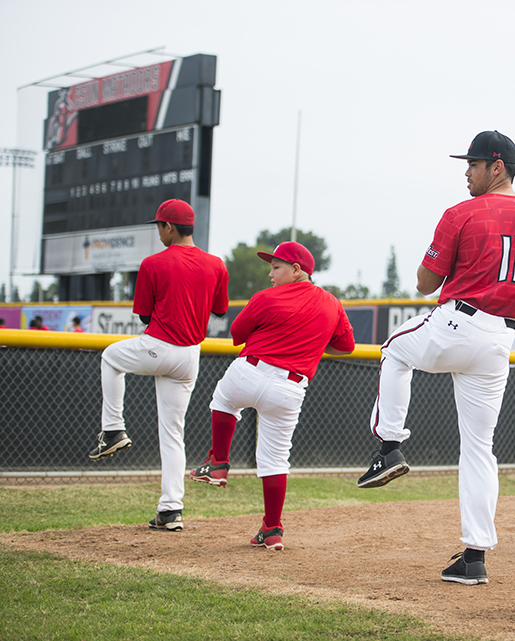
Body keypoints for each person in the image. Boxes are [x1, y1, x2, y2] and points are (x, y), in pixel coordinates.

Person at [357, 130, 515, 585]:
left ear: (497, 167)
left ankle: (389, 447)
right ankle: (474, 557)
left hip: (459, 323)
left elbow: (424, 283)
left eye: (472, 163)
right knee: (478, 449)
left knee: (394, 349)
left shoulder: (462, 212)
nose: (465, 171)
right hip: (498, 342)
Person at [189, 242, 355, 551]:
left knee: (223, 401)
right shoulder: (332, 303)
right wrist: (312, 343)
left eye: (276, 267)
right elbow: (346, 346)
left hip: (251, 369)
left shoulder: (265, 298)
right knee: (276, 458)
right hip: (290, 388)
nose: (270, 273)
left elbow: (237, 335)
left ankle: (218, 462)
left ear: (296, 270)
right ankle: (272, 528)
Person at [87, 199, 230, 533]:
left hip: (160, 345)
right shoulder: (216, 264)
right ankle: (171, 510)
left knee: (110, 357)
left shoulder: (154, 263)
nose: (159, 232)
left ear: (168, 226)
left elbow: (145, 316)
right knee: (172, 433)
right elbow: (220, 311)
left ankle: (112, 430)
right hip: (190, 355)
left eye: (159, 226)